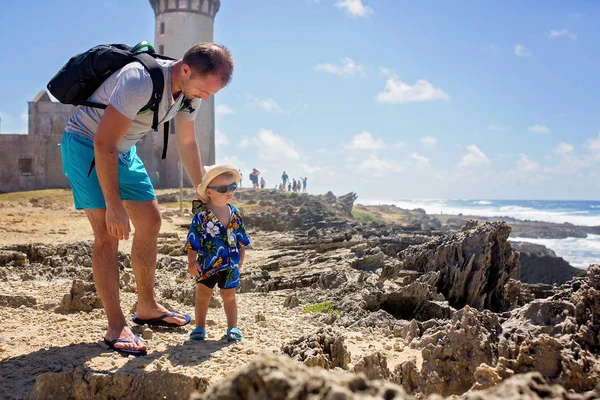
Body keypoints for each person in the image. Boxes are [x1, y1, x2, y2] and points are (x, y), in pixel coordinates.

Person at [60, 43, 234, 356]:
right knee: (107, 233)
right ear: (184, 70)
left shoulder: (190, 93)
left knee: (151, 222)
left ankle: (147, 306)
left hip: (123, 151)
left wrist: (202, 190)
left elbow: (187, 141)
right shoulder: (138, 80)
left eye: (211, 94)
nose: (205, 98)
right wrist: (114, 207)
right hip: (88, 145)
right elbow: (103, 142)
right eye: (204, 90)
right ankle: (116, 326)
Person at [185, 164, 250, 341]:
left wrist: (242, 257)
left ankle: (233, 327)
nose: (229, 192)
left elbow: (240, 238)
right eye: (222, 189)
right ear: (209, 192)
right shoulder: (201, 214)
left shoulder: (235, 213)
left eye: (232, 187)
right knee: (203, 295)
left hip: (230, 263)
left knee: (229, 296)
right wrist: (192, 262)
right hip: (207, 263)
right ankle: (199, 327)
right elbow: (193, 240)